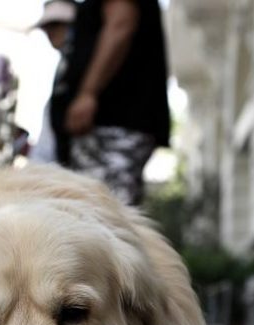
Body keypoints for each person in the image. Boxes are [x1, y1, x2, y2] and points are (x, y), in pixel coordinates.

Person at [51, 0, 171, 205]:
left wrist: (88, 93)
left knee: (105, 211)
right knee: (94, 210)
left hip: (114, 124)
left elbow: (120, 25)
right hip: (105, 127)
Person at [28, 0, 77, 164]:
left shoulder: (78, 63)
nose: (49, 32)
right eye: (46, 27)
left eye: (56, 25)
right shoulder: (62, 64)